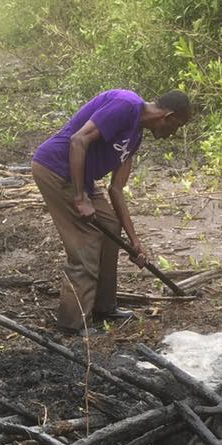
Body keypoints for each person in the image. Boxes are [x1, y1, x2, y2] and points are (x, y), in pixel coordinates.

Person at [31, 88, 192, 333]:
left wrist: (134, 240)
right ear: (167, 116)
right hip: (56, 170)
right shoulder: (126, 104)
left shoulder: (135, 136)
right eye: (176, 126)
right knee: (85, 243)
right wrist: (79, 197)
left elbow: (116, 189)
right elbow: (78, 140)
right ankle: (72, 323)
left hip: (82, 180)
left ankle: (103, 307)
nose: (172, 134)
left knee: (109, 227)